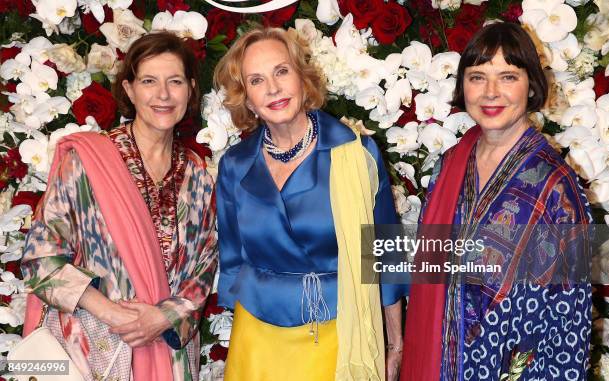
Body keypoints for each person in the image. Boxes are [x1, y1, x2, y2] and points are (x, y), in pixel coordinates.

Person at [214, 26, 409, 381]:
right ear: (246, 97)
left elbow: (382, 258)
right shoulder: (234, 166)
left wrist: (395, 344)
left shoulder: (354, 154)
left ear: (303, 78)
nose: (273, 88)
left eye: (281, 71)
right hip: (257, 337)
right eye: (256, 80)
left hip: (339, 331)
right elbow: (232, 260)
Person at [21, 32, 217, 381]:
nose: (163, 94)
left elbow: (203, 269)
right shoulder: (88, 160)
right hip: (89, 350)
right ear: (129, 90)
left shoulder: (198, 175)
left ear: (190, 89)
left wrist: (160, 319)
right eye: (148, 81)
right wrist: (113, 314)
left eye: (175, 81)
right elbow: (40, 258)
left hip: (167, 352)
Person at [400, 22, 591, 380]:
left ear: (531, 85)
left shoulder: (555, 187)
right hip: (439, 360)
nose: (491, 92)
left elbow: (570, 321)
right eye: (477, 77)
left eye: (507, 77)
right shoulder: (450, 165)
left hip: (514, 369)